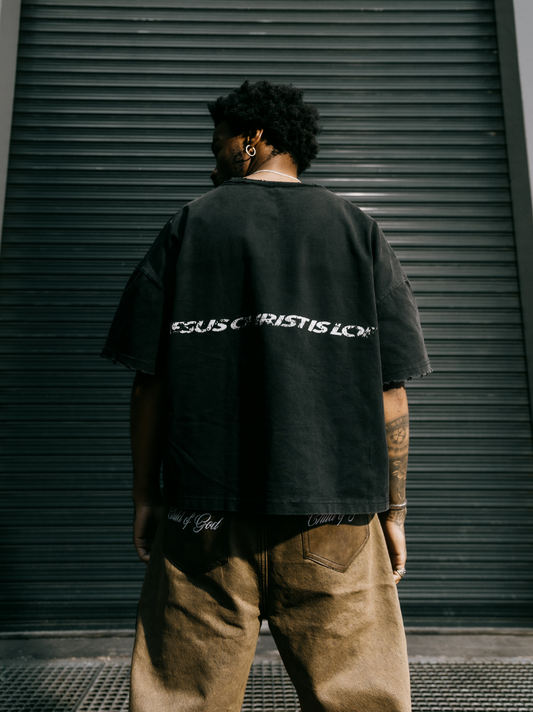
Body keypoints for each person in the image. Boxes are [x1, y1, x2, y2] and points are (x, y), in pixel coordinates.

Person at [101, 79, 431, 712]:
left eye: (218, 143)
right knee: (360, 703)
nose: (213, 157)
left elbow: (148, 382)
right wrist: (394, 511)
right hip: (333, 514)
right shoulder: (358, 231)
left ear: (252, 140)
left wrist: (146, 495)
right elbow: (391, 395)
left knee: (184, 701)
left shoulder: (190, 225)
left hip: (206, 515)